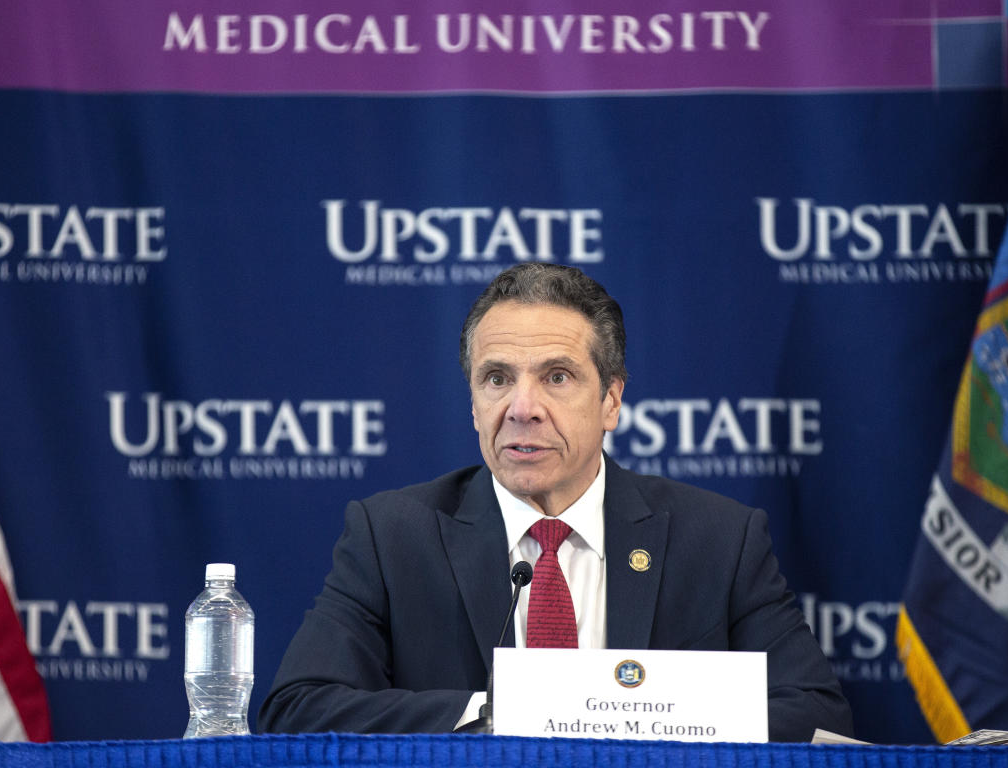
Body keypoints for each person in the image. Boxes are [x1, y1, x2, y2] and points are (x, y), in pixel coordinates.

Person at [259, 262, 852, 742]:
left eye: (557, 377)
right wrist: (497, 715)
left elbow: (817, 716)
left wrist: (641, 718)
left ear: (612, 401)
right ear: (473, 403)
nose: (522, 407)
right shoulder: (391, 537)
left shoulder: (719, 540)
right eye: (496, 378)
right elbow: (298, 708)